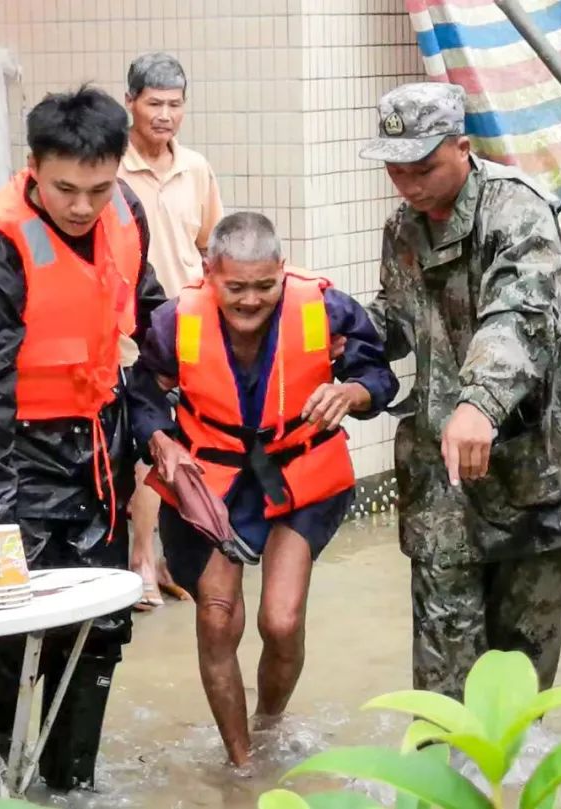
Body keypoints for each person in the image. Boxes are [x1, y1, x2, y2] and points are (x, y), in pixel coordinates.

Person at [360, 83, 561, 701]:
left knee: (516, 678)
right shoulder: (403, 227)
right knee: (440, 673)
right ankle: (435, 790)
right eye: (395, 168)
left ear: (463, 148)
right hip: (445, 477)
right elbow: (400, 318)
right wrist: (336, 332)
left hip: (541, 469)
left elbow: (519, 316)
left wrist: (479, 402)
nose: (408, 184)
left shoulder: (517, 211)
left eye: (423, 167)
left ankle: (504, 793)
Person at [0, 85, 166, 792]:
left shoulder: (126, 214)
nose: (81, 205)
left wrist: (168, 425)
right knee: (14, 628)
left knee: (100, 623)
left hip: (100, 448)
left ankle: (75, 784)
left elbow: (149, 316)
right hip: (17, 457)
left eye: (97, 188)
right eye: (65, 187)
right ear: (33, 165)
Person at [128, 212, 398, 766]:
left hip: (299, 472)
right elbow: (141, 394)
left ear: (282, 271)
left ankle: (269, 724)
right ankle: (241, 762)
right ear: (210, 274)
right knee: (216, 615)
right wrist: (159, 438)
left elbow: (380, 376)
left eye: (264, 286)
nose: (251, 300)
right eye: (235, 288)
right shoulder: (174, 321)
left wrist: (350, 392)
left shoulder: (327, 310)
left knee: (281, 619)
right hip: (213, 479)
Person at [119, 51, 225, 611]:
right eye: (154, 103)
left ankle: (164, 558)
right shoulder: (110, 170)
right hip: (131, 327)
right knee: (146, 440)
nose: (165, 115)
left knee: (183, 437)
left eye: (175, 105)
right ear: (130, 102)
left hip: (186, 326)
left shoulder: (196, 169)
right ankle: (139, 560)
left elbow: (210, 247)